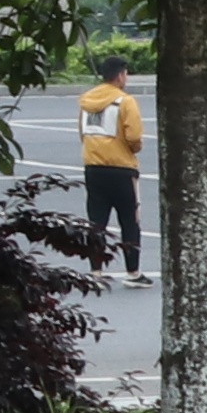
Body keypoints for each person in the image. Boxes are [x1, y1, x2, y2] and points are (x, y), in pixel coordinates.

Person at [78, 55, 147, 283]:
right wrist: (133, 148)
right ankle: (133, 272)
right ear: (120, 76)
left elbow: (82, 133)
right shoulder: (125, 101)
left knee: (96, 220)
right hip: (121, 167)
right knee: (129, 219)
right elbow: (134, 136)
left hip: (93, 166)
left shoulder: (86, 101)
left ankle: (95, 270)